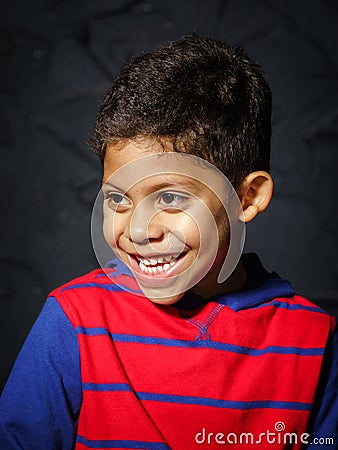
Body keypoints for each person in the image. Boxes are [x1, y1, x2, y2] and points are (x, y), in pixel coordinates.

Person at [0, 35, 336, 449]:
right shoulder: (75, 321)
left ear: (247, 198)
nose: (140, 231)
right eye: (118, 198)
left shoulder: (314, 341)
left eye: (171, 197)